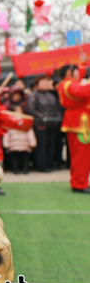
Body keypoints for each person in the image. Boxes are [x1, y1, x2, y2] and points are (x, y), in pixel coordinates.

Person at [57, 57, 90, 194]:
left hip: (76, 121)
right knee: (81, 156)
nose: (79, 73)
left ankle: (79, 181)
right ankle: (79, 183)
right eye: (76, 71)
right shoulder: (69, 85)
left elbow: (79, 84)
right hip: (80, 123)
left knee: (79, 155)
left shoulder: (68, 83)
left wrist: (82, 63)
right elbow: (83, 92)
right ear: (70, 72)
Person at [26, 74, 62, 172]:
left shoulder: (51, 95)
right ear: (37, 84)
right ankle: (42, 166)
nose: (46, 84)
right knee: (42, 147)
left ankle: (50, 164)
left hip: (52, 125)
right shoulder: (33, 94)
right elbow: (30, 109)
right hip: (40, 125)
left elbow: (56, 108)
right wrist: (42, 117)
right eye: (44, 82)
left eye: (47, 81)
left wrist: (57, 118)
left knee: (51, 146)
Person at [3, 88, 36, 174]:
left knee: (25, 157)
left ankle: (25, 169)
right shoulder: (10, 122)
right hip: (13, 144)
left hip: (24, 144)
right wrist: (6, 143)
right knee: (14, 158)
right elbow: (7, 133)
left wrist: (32, 143)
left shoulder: (25, 121)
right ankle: (15, 169)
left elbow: (29, 132)